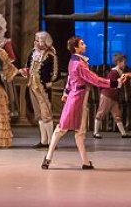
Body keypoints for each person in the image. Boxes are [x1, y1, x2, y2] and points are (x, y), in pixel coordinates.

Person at [41, 36, 119, 170]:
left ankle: (85, 162)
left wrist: (66, 92)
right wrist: (114, 83)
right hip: (77, 98)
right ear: (76, 48)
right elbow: (94, 79)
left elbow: (70, 79)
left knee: (78, 132)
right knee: (62, 129)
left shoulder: (75, 61)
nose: (85, 45)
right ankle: (48, 157)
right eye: (82, 44)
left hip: (78, 97)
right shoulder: (78, 63)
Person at [20, 31, 58, 148]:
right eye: (35, 40)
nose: (35, 42)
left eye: (38, 40)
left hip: (43, 88)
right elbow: (28, 66)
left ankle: (51, 141)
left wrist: (49, 82)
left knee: (46, 114)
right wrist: (25, 71)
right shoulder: (33, 53)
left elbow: (55, 72)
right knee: (39, 114)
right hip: (32, 86)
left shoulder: (51, 56)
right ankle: (43, 140)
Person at [94, 52, 130, 139]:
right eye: (124, 62)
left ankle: (123, 134)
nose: (125, 64)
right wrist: (120, 81)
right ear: (118, 62)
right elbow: (111, 84)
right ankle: (95, 132)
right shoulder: (114, 72)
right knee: (101, 113)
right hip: (107, 95)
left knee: (117, 115)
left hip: (113, 97)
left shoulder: (119, 72)